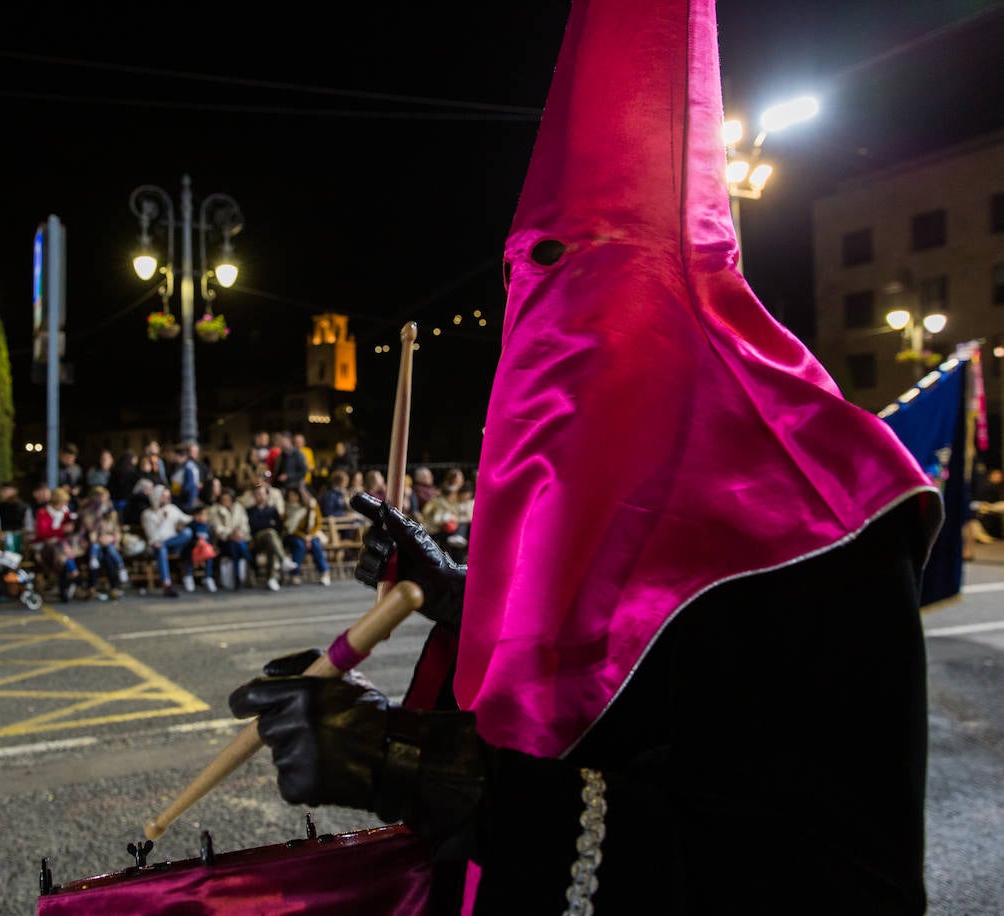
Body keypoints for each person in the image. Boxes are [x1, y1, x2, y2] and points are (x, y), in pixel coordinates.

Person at [225, 3, 941, 913]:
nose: (543, 316)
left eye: (574, 264)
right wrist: (460, 593)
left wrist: (418, 766)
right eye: (530, 272)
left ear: (670, 283)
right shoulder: (616, 464)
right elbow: (603, 647)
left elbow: (837, 878)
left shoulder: (827, 506)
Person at [140, 484, 200, 597]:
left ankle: (186, 576)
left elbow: (187, 519)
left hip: (173, 544)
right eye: (165, 497)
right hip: (156, 546)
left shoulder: (172, 509)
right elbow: (152, 536)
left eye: (168, 497)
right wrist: (162, 519)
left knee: (187, 533)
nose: (168, 499)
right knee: (161, 548)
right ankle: (167, 585)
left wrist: (198, 517)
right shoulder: (148, 514)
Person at [34, 487, 87, 601]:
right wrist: (61, 530)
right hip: (46, 548)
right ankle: (76, 577)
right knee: (61, 550)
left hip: (62, 547)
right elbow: (42, 533)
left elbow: (74, 527)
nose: (64, 505)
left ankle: (66, 588)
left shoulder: (65, 512)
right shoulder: (43, 513)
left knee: (62, 554)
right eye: (62, 503)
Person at [246, 483, 294, 592]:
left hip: (271, 540)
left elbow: (279, 527)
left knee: (271, 541)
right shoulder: (250, 511)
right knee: (270, 533)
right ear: (254, 496)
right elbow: (253, 527)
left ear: (267, 495)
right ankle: (283, 560)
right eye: (258, 494)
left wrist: (267, 525)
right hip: (256, 540)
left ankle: (272, 578)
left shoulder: (272, 510)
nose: (261, 496)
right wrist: (268, 524)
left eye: (262, 494)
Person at [83, 485, 126, 600]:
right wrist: (98, 538)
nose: (104, 499)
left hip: (109, 542)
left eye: (106, 497)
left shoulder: (111, 512)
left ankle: (114, 588)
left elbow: (117, 530)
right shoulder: (88, 511)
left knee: (108, 557)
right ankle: (92, 588)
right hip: (93, 543)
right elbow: (88, 529)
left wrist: (112, 538)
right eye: (102, 497)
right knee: (96, 558)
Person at [281, 486, 330, 587]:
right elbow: (290, 528)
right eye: (290, 496)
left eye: (293, 495)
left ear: (300, 496)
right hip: (294, 535)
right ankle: (294, 574)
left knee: (316, 545)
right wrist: (304, 537)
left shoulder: (312, 505)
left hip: (311, 534)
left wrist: (310, 536)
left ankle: (324, 573)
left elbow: (318, 523)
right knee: (299, 545)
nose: (291, 498)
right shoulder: (288, 507)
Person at [211, 487, 252, 590]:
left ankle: (237, 577)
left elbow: (244, 524)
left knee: (237, 545)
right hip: (224, 540)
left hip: (239, 538)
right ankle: (249, 562)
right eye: (223, 500)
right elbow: (217, 528)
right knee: (236, 546)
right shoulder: (215, 510)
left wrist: (239, 533)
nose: (226, 502)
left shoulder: (239, 508)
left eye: (228, 499)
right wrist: (230, 534)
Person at [0, 481, 34, 553]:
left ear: (15, 491)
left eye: (5, 491)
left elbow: (28, 527)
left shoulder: (24, 507)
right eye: (2, 491)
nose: (2, 493)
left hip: (20, 536)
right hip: (2, 537)